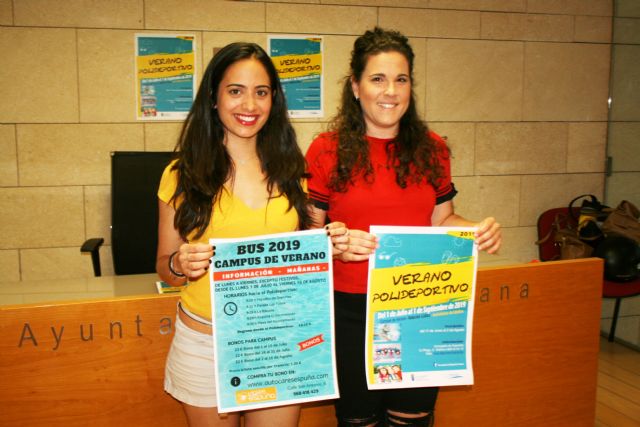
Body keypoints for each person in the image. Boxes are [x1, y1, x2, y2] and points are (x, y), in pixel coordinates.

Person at [305, 27, 502, 426]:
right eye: (377, 79)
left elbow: (443, 219)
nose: (390, 91)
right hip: (349, 309)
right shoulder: (325, 149)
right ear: (356, 86)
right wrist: (333, 242)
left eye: (401, 79)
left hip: (420, 305)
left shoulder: (433, 148)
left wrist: (478, 230)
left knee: (411, 418)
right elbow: (307, 235)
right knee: (359, 420)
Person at [155, 42, 347, 427]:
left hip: (278, 342)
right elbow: (164, 268)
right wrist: (180, 264)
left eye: (261, 92)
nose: (249, 104)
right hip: (206, 345)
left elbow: (307, 258)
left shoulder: (292, 171)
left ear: (274, 99)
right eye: (235, 91)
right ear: (213, 97)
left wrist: (331, 242)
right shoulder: (181, 173)